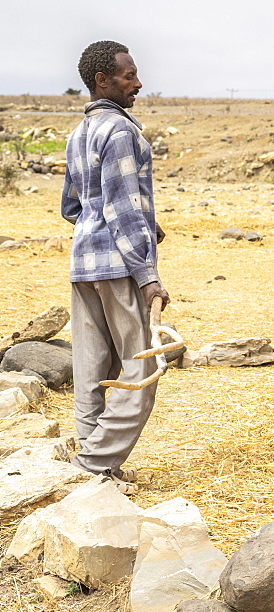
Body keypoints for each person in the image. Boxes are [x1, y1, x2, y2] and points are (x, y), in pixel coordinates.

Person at [61, 40, 169, 494]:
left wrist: (141, 221)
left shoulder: (79, 133)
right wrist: (147, 275)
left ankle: (93, 464)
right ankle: (94, 463)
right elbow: (122, 209)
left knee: (90, 366)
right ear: (102, 80)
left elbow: (74, 207)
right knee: (142, 369)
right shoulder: (123, 132)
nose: (138, 82)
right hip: (120, 265)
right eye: (129, 75)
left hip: (83, 263)